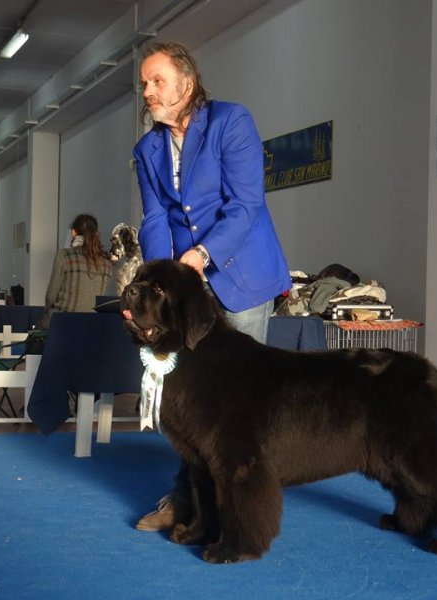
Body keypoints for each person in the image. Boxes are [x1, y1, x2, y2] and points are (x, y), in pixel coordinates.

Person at [132, 42, 291, 532]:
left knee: (236, 406)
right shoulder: (145, 150)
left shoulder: (230, 122)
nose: (149, 92)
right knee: (192, 404)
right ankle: (188, 500)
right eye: (144, 84)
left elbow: (245, 204)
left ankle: (238, 504)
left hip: (242, 275)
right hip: (189, 291)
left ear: (187, 82)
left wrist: (201, 256)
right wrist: (158, 283)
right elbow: (156, 218)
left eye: (157, 81)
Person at [36, 214, 112, 330]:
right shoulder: (107, 263)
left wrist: (45, 315)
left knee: (33, 340)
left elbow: (51, 296)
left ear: (74, 233)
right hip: (91, 325)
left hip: (62, 322)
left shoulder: (64, 256)